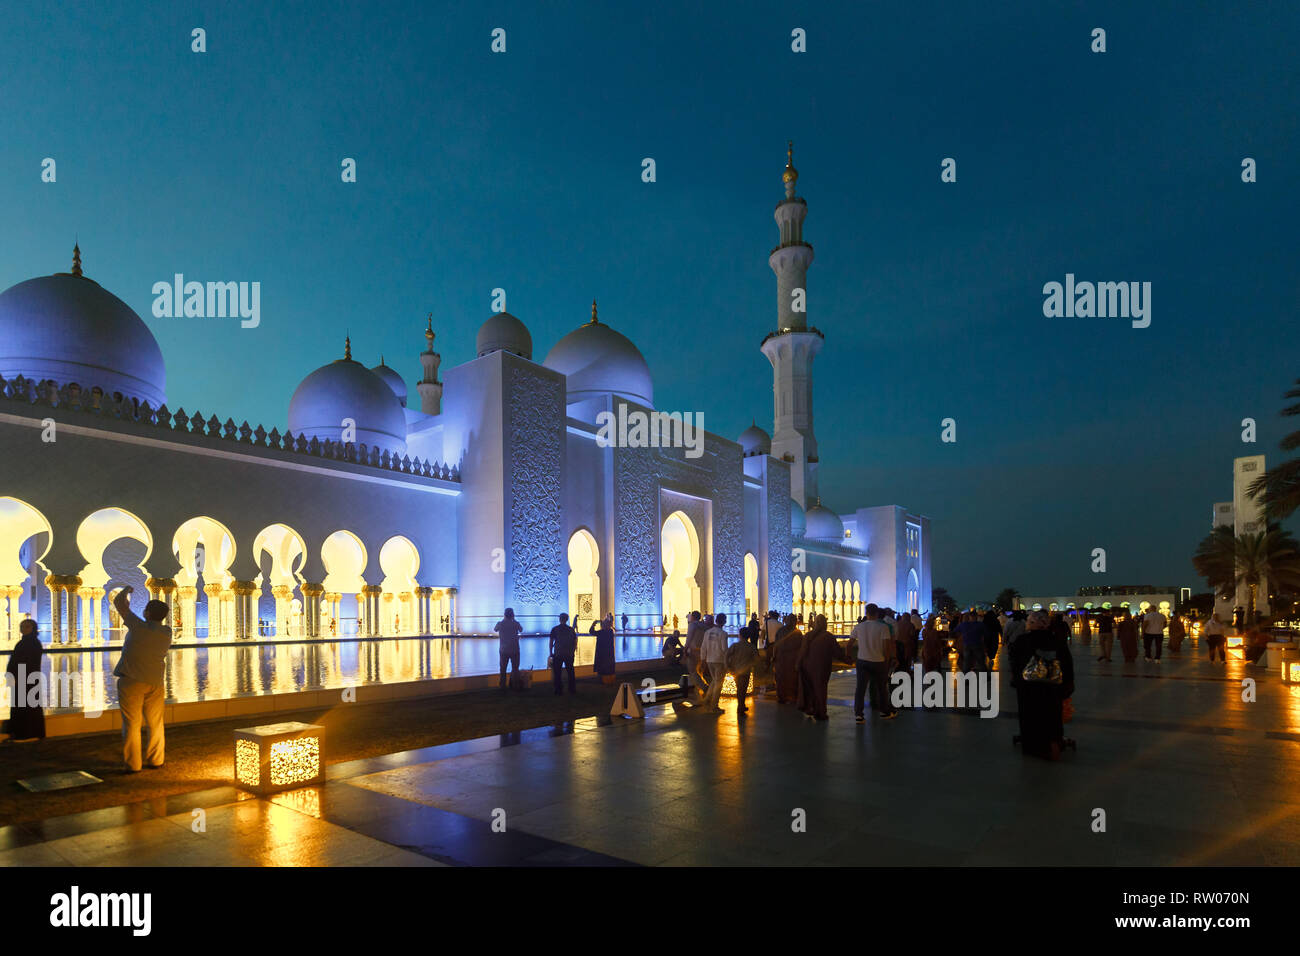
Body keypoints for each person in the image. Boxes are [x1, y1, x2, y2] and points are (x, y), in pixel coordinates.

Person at [112, 587, 173, 772]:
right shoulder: (167, 632)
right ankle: (156, 759)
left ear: (146, 612)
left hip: (132, 680)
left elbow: (118, 603)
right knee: (155, 722)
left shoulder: (137, 626)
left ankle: (133, 764)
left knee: (132, 723)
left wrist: (126, 590)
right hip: (155, 682)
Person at [1009, 610, 1074, 760]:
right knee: (1053, 715)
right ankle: (1054, 741)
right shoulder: (1056, 641)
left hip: (1028, 688)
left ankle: (1034, 747)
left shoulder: (1022, 641)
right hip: (1052, 687)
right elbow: (1067, 663)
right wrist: (1069, 683)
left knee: (1030, 716)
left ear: (1031, 623)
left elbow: (1015, 664)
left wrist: (1016, 681)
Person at [852, 604, 896, 722]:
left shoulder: (859, 627)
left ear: (866, 613)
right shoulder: (883, 628)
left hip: (862, 661)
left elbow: (849, 644)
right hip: (878, 661)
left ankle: (859, 714)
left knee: (860, 689)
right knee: (882, 688)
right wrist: (887, 661)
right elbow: (887, 647)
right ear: (877, 613)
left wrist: (850, 658)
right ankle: (884, 712)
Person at [4, 619, 45, 742]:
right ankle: (24, 733)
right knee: (23, 706)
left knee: (25, 707)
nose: (23, 629)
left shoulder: (31, 643)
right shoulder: (26, 642)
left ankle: (24, 733)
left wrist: (16, 676)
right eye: (22, 626)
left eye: (26, 626)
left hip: (26, 680)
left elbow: (26, 662)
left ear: (32, 628)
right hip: (24, 679)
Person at [795, 614, 837, 721]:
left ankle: (810, 708)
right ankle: (821, 712)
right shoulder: (829, 637)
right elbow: (837, 653)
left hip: (808, 667)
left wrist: (798, 663)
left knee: (809, 689)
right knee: (821, 690)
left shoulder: (808, 635)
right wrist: (848, 660)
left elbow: (802, 651)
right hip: (822, 668)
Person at [700, 612, 730, 714]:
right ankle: (714, 706)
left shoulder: (708, 632)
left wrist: (703, 659)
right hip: (719, 661)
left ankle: (707, 699)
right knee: (718, 683)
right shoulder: (723, 634)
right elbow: (724, 649)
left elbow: (703, 647)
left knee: (714, 680)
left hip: (709, 660)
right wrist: (728, 661)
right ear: (724, 621)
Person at [771, 614, 804, 704]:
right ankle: (789, 697)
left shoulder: (782, 631)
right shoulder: (797, 633)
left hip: (784, 659)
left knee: (784, 679)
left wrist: (774, 656)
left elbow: (776, 645)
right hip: (789, 660)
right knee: (788, 679)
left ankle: (783, 697)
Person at [725, 634, 758, 714]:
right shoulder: (751, 646)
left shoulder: (735, 645)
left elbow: (727, 655)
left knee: (739, 689)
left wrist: (728, 666)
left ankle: (741, 706)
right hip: (745, 671)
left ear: (740, 635)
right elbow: (756, 658)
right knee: (743, 690)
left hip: (735, 670)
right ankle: (740, 707)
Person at [494, 608, 523, 692]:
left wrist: (504, 619)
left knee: (503, 669)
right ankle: (515, 686)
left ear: (504, 614)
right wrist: (514, 620)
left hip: (503, 650)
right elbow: (521, 629)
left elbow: (495, 629)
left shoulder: (500, 624)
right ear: (513, 615)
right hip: (515, 649)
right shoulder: (516, 624)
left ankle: (503, 686)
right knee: (515, 669)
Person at [549, 612, 578, 695]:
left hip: (558, 653)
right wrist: (573, 651)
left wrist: (551, 653)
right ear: (567, 619)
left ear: (560, 619)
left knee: (557, 672)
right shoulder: (571, 629)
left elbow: (551, 642)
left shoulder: (555, 629)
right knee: (570, 672)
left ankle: (558, 689)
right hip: (569, 653)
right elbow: (575, 641)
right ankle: (572, 689)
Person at [590, 614, 616, 684]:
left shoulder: (601, 632)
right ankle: (610, 681)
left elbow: (591, 632)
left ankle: (603, 681)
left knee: (602, 668)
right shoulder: (610, 632)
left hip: (601, 653)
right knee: (609, 668)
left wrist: (593, 624)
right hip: (609, 653)